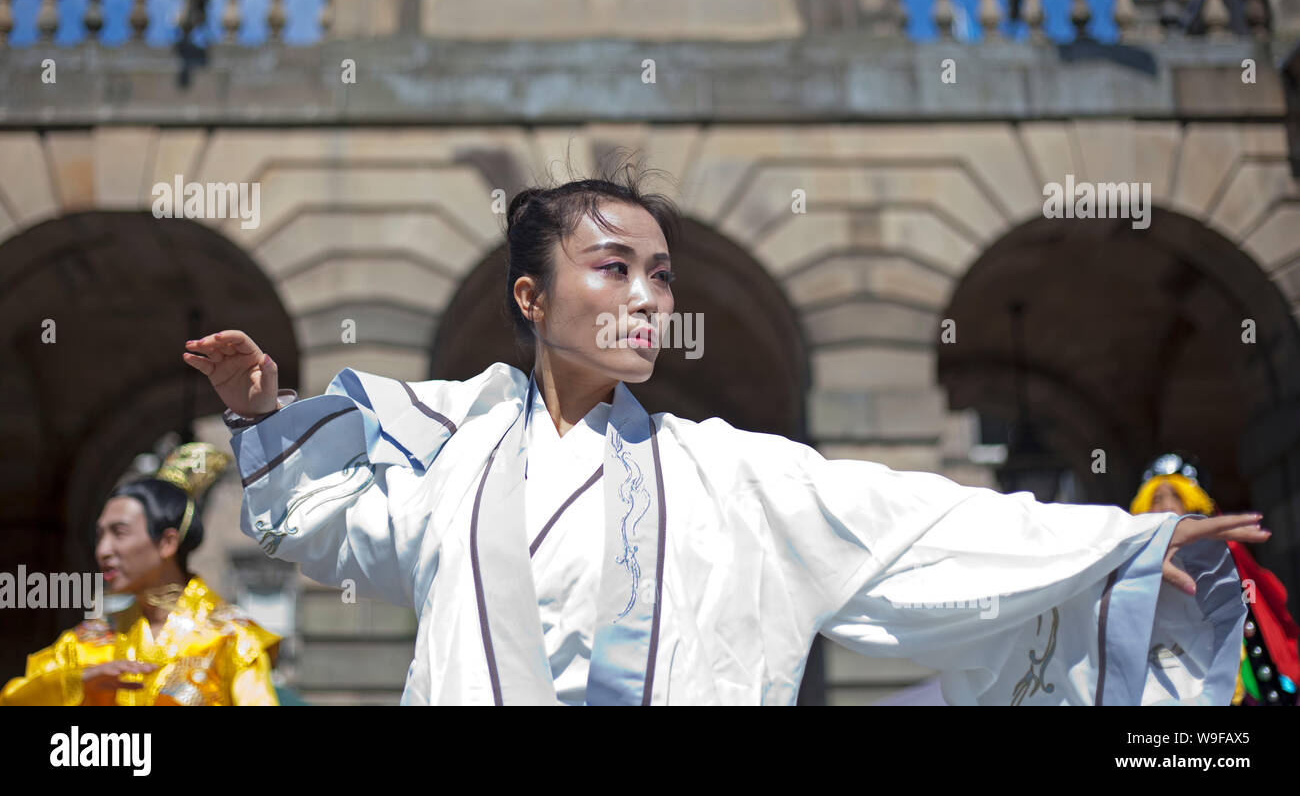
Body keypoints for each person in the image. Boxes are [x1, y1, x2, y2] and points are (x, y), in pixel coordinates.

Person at [185, 159, 1270, 705]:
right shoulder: (456, 458)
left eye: (659, 274)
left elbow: (909, 524)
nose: (647, 297)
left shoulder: (725, 474)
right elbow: (330, 531)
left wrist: (1115, 547)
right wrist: (258, 413)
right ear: (529, 298)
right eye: (612, 268)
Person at [1, 443, 281, 706]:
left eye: (119, 533)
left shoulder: (230, 638)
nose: (103, 550)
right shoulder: (90, 641)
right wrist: (81, 681)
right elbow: (12, 699)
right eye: (99, 536)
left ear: (167, 542)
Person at [1130, 452, 1298, 705]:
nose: (1166, 506)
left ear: (1195, 504)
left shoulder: (1226, 555)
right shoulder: (1131, 564)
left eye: (1176, 496)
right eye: (1156, 498)